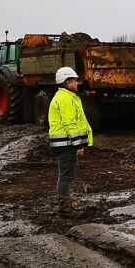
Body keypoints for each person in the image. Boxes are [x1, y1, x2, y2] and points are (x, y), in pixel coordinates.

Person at [48, 66, 93, 218]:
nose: (77, 83)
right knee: (65, 176)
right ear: (67, 82)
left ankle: (66, 206)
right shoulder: (65, 99)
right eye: (74, 80)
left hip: (66, 144)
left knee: (67, 176)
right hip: (66, 145)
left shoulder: (67, 97)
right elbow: (70, 124)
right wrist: (78, 144)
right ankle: (65, 209)